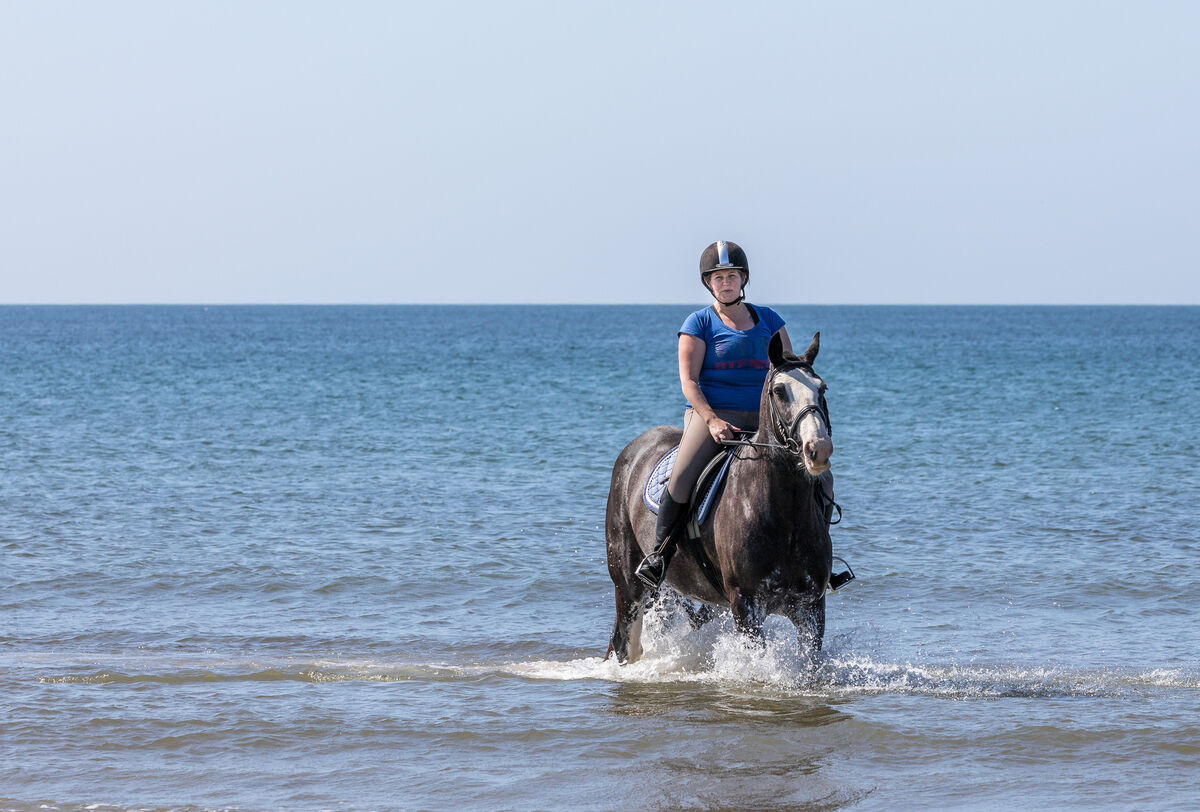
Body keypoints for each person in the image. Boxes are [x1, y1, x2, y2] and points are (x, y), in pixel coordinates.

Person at [635, 240, 848, 589]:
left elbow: (787, 371)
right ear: (709, 283)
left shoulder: (769, 320)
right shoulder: (699, 323)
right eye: (718, 278)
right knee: (682, 479)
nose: (726, 283)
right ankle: (660, 555)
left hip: (767, 419)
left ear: (743, 278)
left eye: (732, 275)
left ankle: (820, 562)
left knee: (820, 478)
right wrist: (712, 420)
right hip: (712, 417)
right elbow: (689, 381)